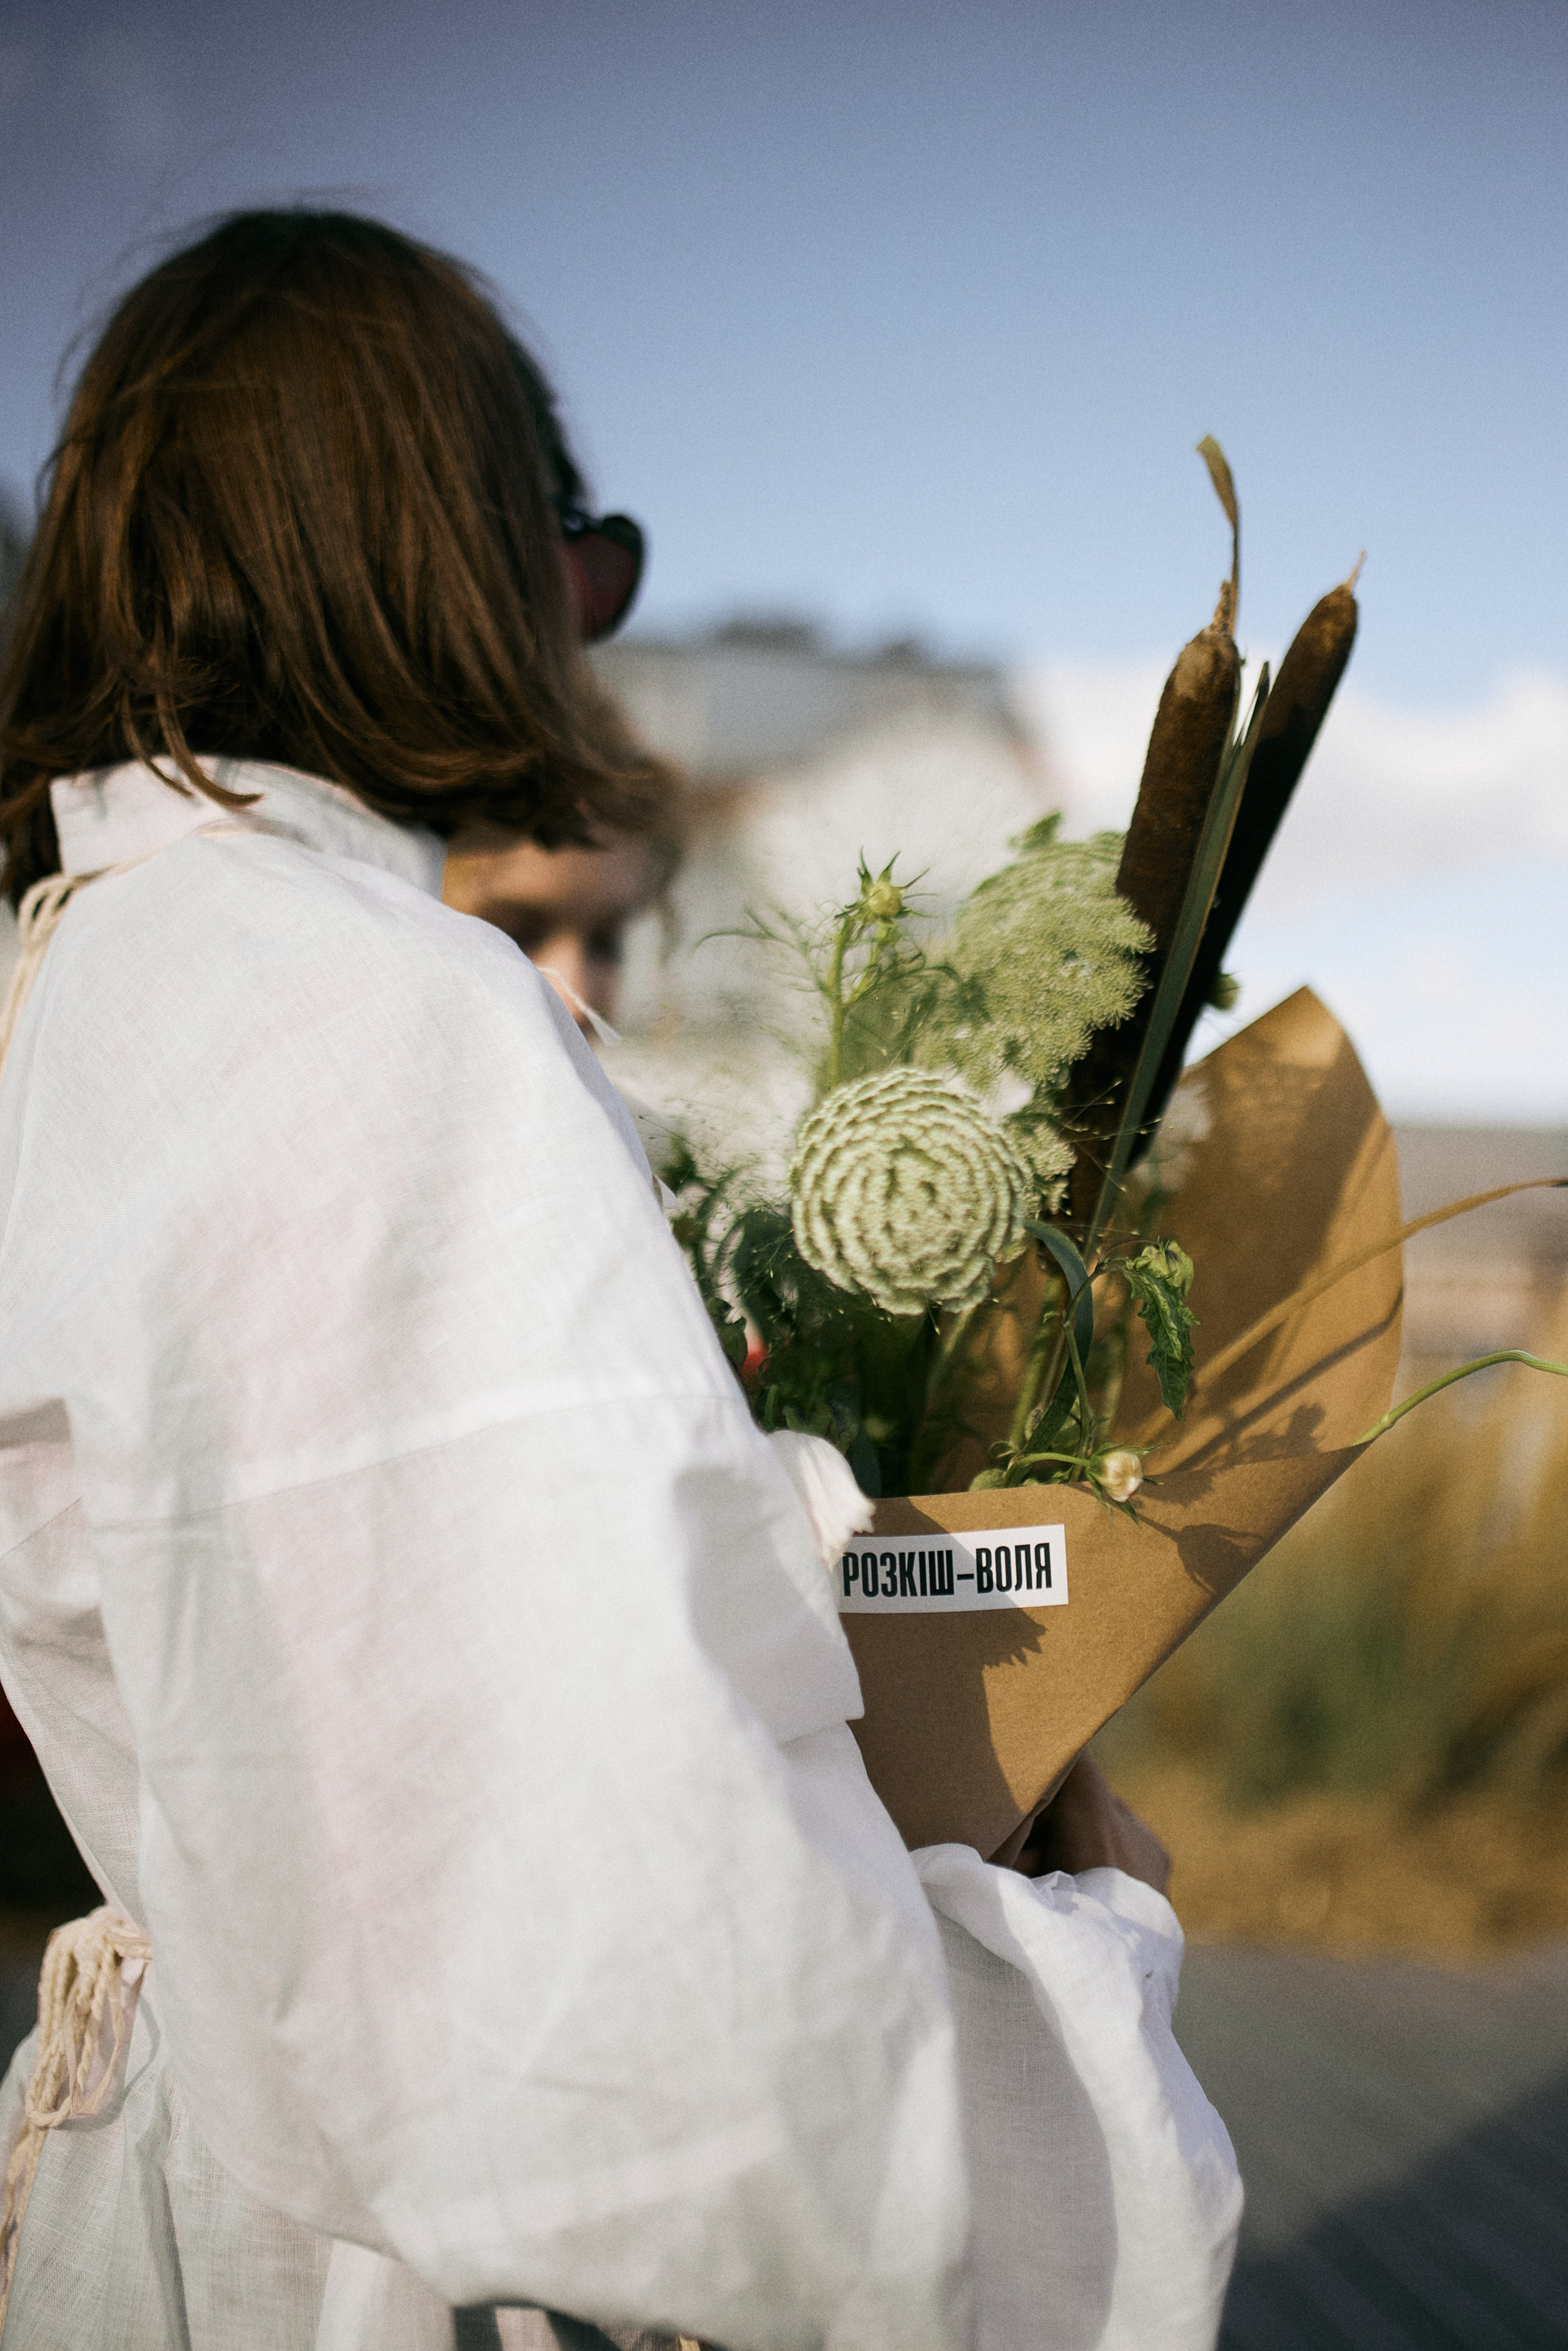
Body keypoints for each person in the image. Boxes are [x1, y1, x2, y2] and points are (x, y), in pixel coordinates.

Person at [0, 209, 1239, 2350]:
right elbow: (653, 2026)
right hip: (398, 2256)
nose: (581, 624)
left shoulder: (84, 972)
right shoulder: (356, 1005)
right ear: (440, 547)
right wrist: (1058, 1922)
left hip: (217, 2146)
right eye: (575, 557)